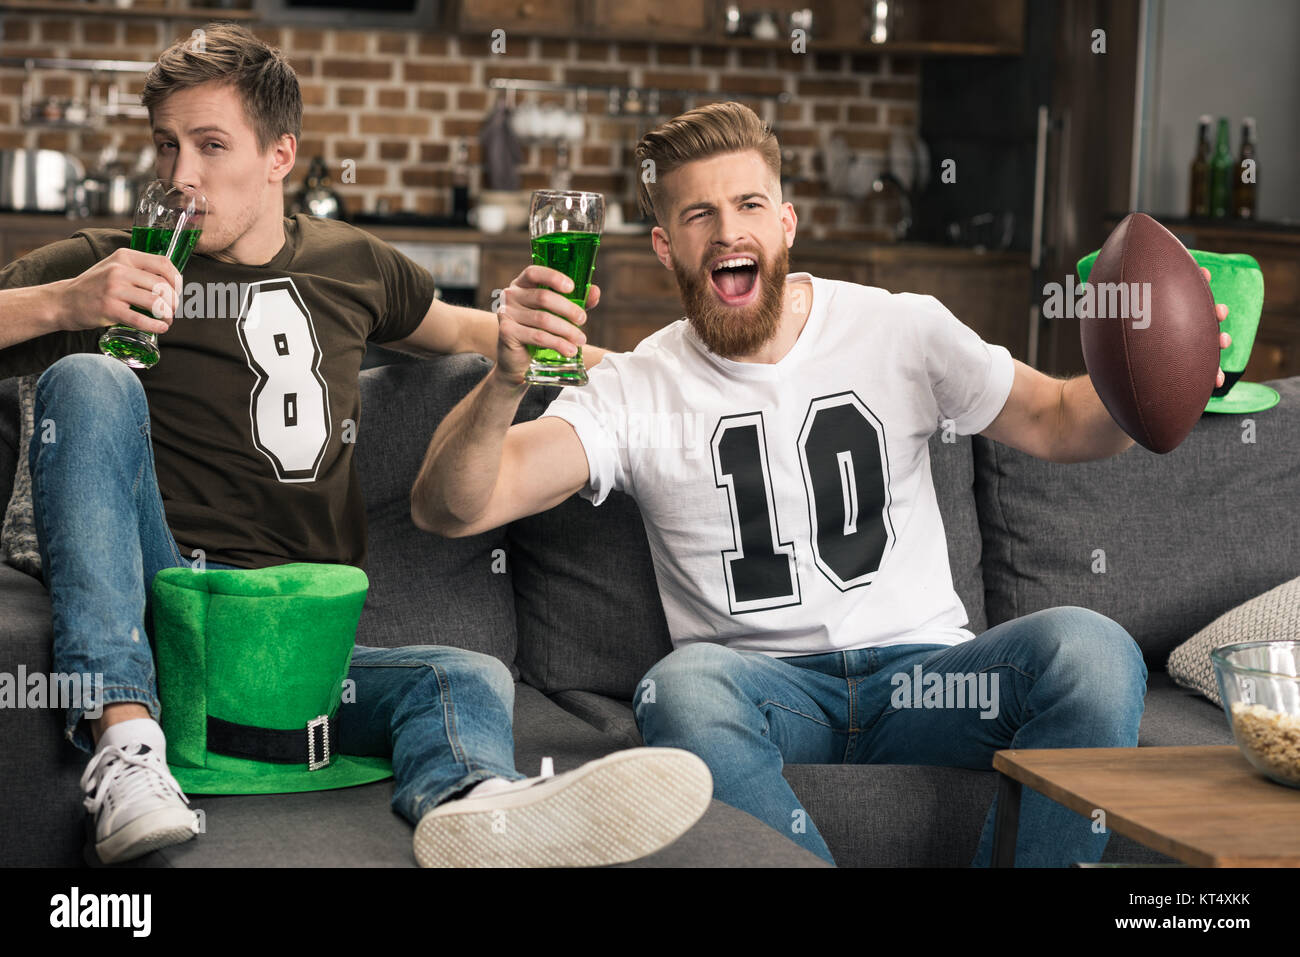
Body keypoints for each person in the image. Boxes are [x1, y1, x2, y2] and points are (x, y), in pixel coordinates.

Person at [410, 101, 1235, 867]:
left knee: (1094, 651)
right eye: (698, 214)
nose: (727, 230)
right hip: (764, 691)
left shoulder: (901, 328)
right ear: (665, 246)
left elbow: (1060, 418)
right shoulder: (635, 385)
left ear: (786, 223)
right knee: (680, 686)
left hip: (932, 679)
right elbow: (455, 504)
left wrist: (1180, 364)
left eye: (748, 206)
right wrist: (506, 379)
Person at [0, 23, 711, 868]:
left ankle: (479, 805)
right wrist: (67, 306)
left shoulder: (352, 263)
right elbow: (65, 331)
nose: (178, 174)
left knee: (467, 674)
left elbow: (470, 331)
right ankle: (125, 747)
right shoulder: (104, 266)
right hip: (172, 603)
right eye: (166, 145)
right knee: (88, 380)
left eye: (210, 144)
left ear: (279, 155)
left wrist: (653, 375)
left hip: (306, 645)